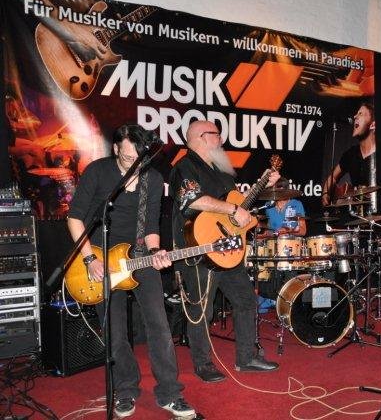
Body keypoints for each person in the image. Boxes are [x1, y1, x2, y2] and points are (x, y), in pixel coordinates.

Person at [67, 125, 194, 418]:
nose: (133, 164)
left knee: (159, 325)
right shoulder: (98, 172)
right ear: (115, 149)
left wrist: (155, 252)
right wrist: (89, 259)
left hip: (138, 257)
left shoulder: (153, 178)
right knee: (115, 331)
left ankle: (170, 393)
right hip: (99, 258)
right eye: (126, 158)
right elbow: (74, 218)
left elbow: (150, 226)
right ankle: (125, 390)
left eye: (138, 158)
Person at [169, 120, 280, 384]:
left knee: (246, 300)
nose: (221, 140)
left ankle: (246, 358)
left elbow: (238, 205)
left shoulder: (222, 170)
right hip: (200, 248)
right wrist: (233, 210)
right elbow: (193, 200)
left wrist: (263, 185)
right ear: (201, 137)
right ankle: (203, 363)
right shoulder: (185, 166)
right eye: (217, 135)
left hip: (228, 249)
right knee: (202, 310)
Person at [321, 102, 377, 212]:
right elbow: (333, 177)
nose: (355, 116)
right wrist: (325, 193)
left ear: (372, 125)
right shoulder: (351, 154)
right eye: (356, 113)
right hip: (357, 214)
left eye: (360, 113)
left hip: (377, 212)